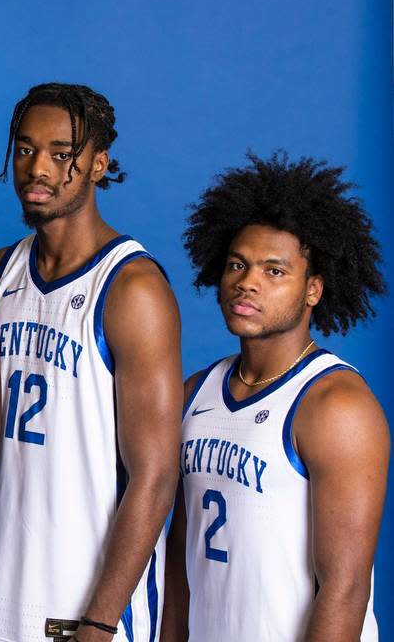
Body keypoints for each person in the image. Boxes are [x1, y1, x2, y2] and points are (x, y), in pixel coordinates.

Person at [0, 84, 182, 642]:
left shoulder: (132, 288)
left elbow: (155, 475)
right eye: (25, 149)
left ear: (98, 164)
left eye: (63, 154)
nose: (38, 168)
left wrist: (100, 622)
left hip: (86, 607)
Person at [162, 153, 387, 641]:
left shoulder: (335, 405)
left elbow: (344, 589)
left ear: (313, 289)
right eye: (238, 265)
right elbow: (179, 559)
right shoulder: (195, 394)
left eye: (275, 271)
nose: (248, 282)